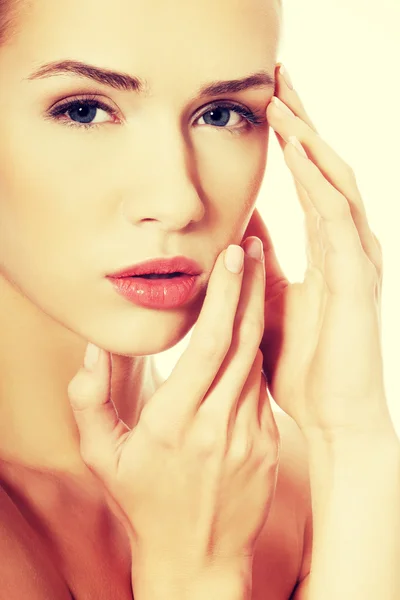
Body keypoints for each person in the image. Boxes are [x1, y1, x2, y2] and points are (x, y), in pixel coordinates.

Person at [0, 0, 399, 599]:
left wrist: (352, 437)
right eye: (83, 110)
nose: (180, 198)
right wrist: (193, 575)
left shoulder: (307, 486)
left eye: (223, 113)